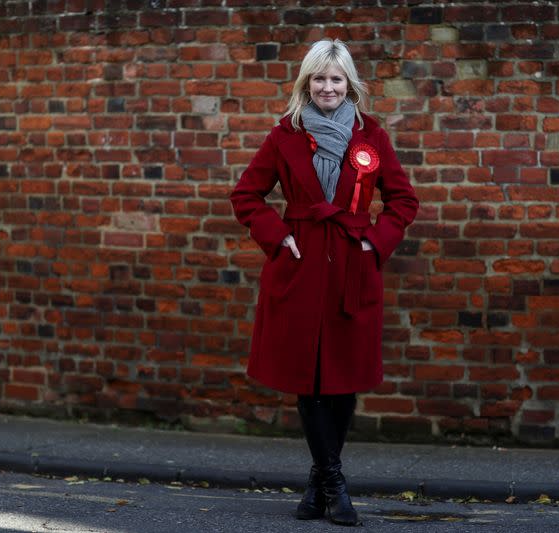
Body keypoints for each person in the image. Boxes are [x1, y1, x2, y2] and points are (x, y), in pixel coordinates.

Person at [230, 39, 418, 526]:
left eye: (336, 79)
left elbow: (403, 201)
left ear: (349, 84)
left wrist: (374, 243)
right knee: (308, 378)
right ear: (305, 84)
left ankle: (319, 483)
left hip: (353, 269)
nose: (327, 86)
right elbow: (246, 195)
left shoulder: (371, 136)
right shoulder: (284, 136)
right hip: (299, 267)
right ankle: (333, 482)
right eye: (318, 78)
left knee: (342, 379)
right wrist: (278, 238)